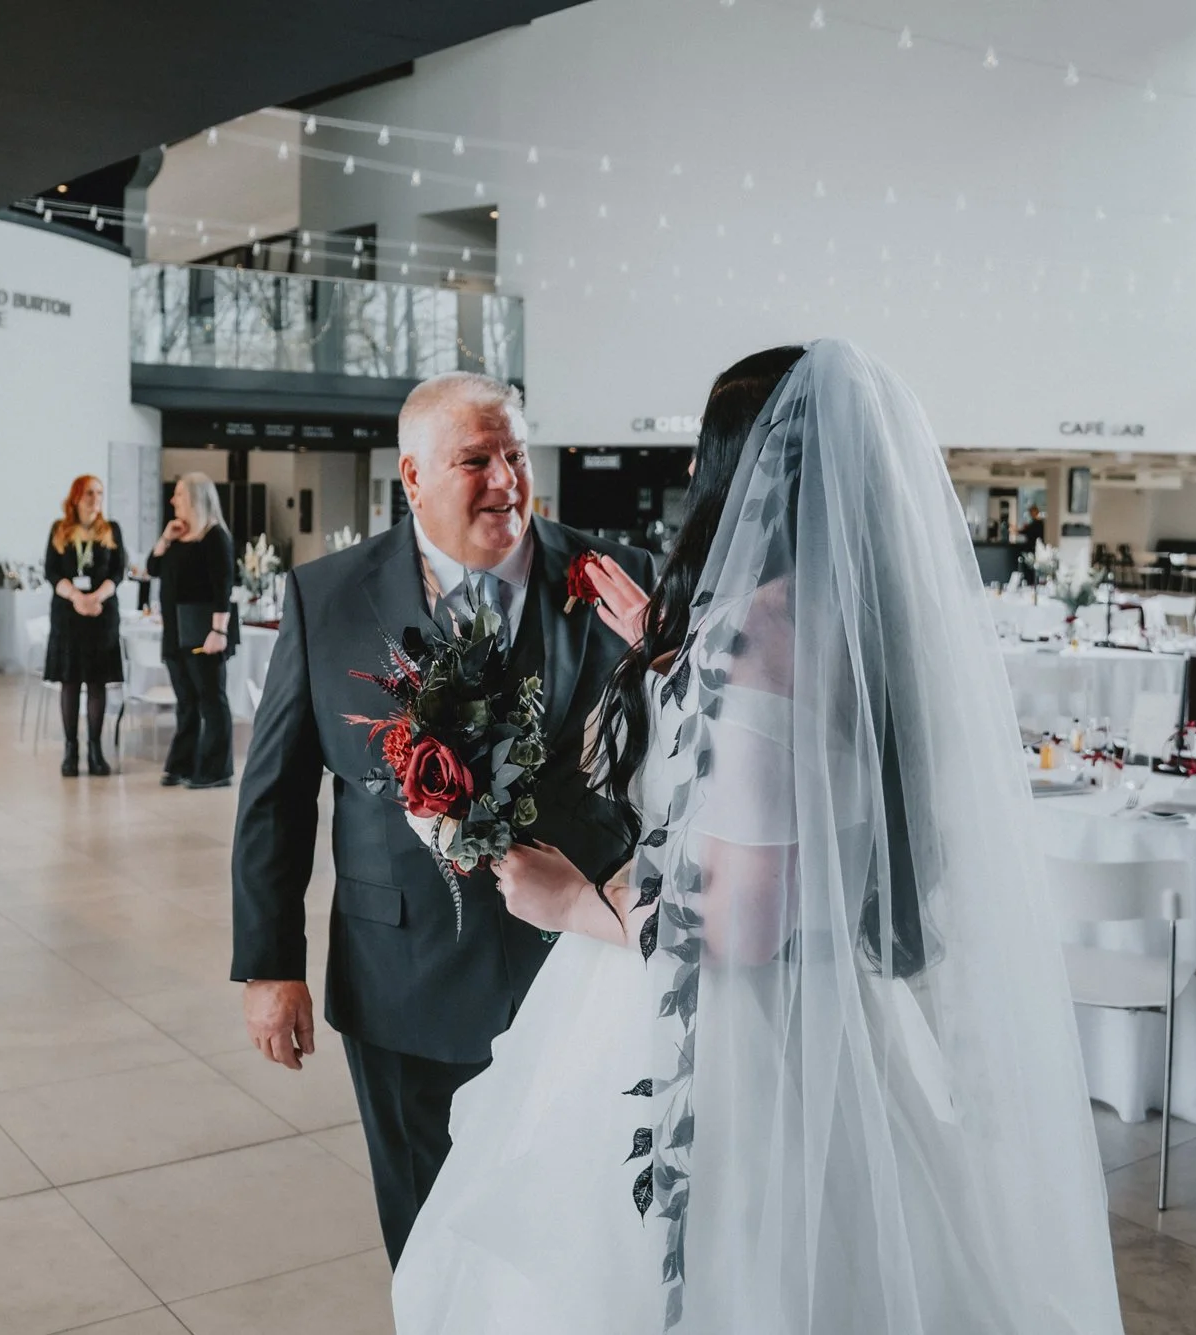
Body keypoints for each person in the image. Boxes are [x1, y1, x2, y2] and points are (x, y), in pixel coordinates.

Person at [392, 342, 1123, 1333]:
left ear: (748, 467)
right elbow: (786, 779)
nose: (694, 471)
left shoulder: (749, 638)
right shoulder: (853, 617)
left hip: (720, 1036)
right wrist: (675, 656)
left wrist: (572, 898)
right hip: (826, 1010)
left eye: (710, 446)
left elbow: (738, 915)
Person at [231, 371, 656, 1266]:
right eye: (476, 459)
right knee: (430, 1233)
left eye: (516, 454)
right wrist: (270, 965)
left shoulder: (620, 580)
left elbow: (674, 760)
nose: (506, 479)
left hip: (582, 969)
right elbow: (276, 795)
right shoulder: (327, 597)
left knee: (578, 1225)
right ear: (413, 475)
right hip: (404, 976)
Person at [151, 473, 237, 790]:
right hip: (176, 630)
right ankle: (183, 763)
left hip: (204, 630)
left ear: (196, 498)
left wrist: (219, 631)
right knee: (186, 700)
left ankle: (216, 769)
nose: (173, 500)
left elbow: (222, 588)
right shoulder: (178, 536)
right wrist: (165, 538)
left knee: (211, 700)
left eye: (179, 494)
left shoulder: (215, 537)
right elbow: (152, 568)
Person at [44, 474, 127, 777]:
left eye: (100, 493)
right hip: (68, 615)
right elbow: (51, 572)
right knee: (70, 681)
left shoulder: (111, 529)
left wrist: (96, 598)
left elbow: (118, 572)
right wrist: (78, 598)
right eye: (90, 493)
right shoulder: (59, 529)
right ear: (77, 497)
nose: (96, 499)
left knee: (97, 681)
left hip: (102, 615)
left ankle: (95, 749)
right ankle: (70, 749)